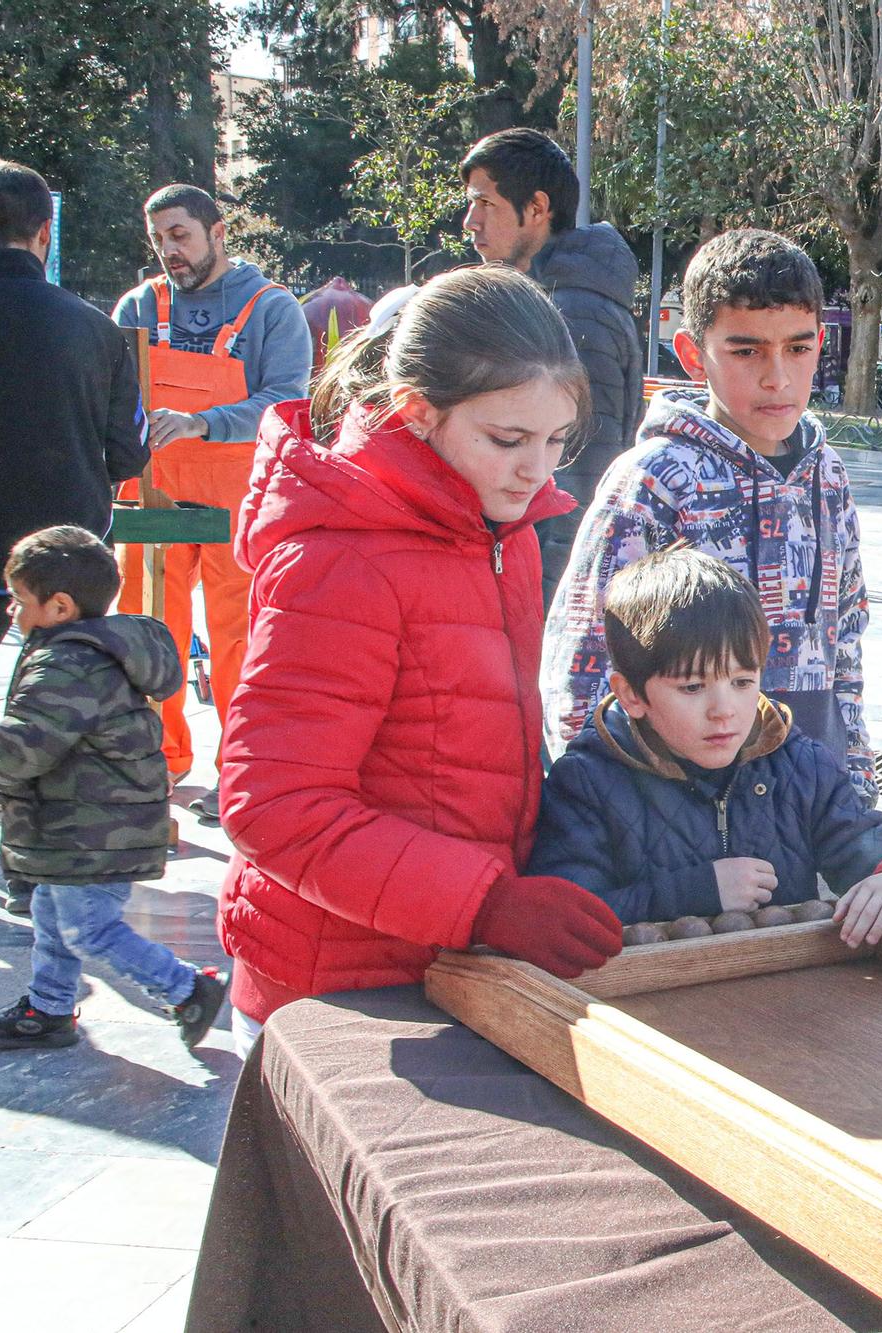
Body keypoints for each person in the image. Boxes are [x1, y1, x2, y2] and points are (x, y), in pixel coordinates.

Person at [216, 267, 624, 1052]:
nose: (537, 469)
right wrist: (483, 903)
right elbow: (273, 803)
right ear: (417, 413)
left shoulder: (500, 528)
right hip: (331, 994)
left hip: (441, 968)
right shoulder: (342, 560)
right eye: (508, 440)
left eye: (555, 440)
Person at [541, 228, 878, 804]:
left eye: (797, 348)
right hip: (679, 813)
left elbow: (845, 639)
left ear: (820, 344)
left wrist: (855, 788)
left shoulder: (829, 475)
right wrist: (612, 813)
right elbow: (585, 659)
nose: (777, 377)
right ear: (694, 354)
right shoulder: (654, 479)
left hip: (805, 805)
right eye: (746, 351)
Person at [530, 547, 882, 947]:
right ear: (632, 695)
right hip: (641, 1001)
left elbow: (865, 843)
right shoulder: (587, 782)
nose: (723, 711)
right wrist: (697, 891)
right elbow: (564, 918)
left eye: (742, 682)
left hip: (783, 996)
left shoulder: (798, 764)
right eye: (692, 687)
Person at [111, 184, 312, 817]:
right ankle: (154, 762)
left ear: (218, 231)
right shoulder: (139, 307)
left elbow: (283, 405)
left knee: (237, 639)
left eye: (181, 235)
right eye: (159, 239)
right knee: (148, 630)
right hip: (153, 493)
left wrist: (204, 423)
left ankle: (240, 771)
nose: (170, 250)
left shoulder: (271, 310)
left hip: (237, 499)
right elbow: (116, 400)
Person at [0, 527, 227, 1050]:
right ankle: (48, 1007)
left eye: (19, 600)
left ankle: (187, 987)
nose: (13, 612)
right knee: (53, 918)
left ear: (59, 606)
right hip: (81, 823)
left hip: (97, 830)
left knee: (88, 929)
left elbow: (25, 747)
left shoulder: (68, 664)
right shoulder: (74, 652)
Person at [462, 128, 644, 605]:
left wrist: (546, 601)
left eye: (486, 204)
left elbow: (581, 468)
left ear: (538, 209)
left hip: (554, 576)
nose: (470, 221)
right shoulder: (555, 296)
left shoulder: (573, 309)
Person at [0, 163, 148, 632]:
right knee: (65, 690)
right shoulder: (96, 329)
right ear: (45, 232)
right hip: (63, 549)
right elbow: (128, 453)